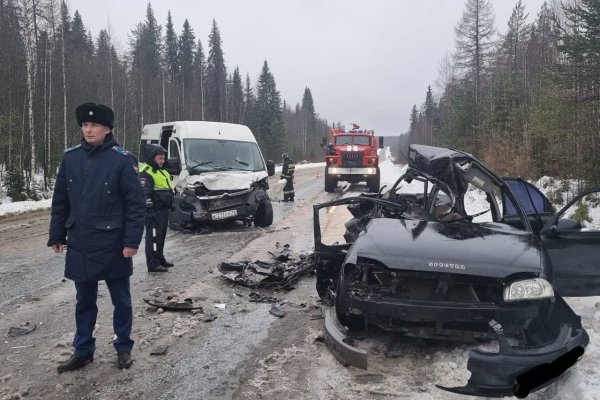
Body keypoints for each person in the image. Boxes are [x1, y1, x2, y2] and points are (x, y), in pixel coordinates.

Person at [48, 103, 146, 372]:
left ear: (107, 129)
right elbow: (60, 201)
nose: (88, 129)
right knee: (84, 301)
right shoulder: (71, 158)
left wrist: (131, 242)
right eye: (84, 125)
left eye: (94, 125)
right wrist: (57, 234)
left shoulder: (122, 160)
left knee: (121, 300)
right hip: (81, 240)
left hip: (114, 244)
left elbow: (136, 205)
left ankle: (123, 347)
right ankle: (83, 350)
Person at [139, 145, 175, 272]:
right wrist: (150, 210)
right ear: (152, 158)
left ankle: (160, 259)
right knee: (153, 237)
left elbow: (167, 188)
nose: (162, 161)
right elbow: (144, 193)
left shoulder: (162, 170)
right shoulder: (146, 171)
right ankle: (153, 264)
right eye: (160, 158)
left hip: (163, 209)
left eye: (163, 158)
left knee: (161, 236)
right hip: (153, 211)